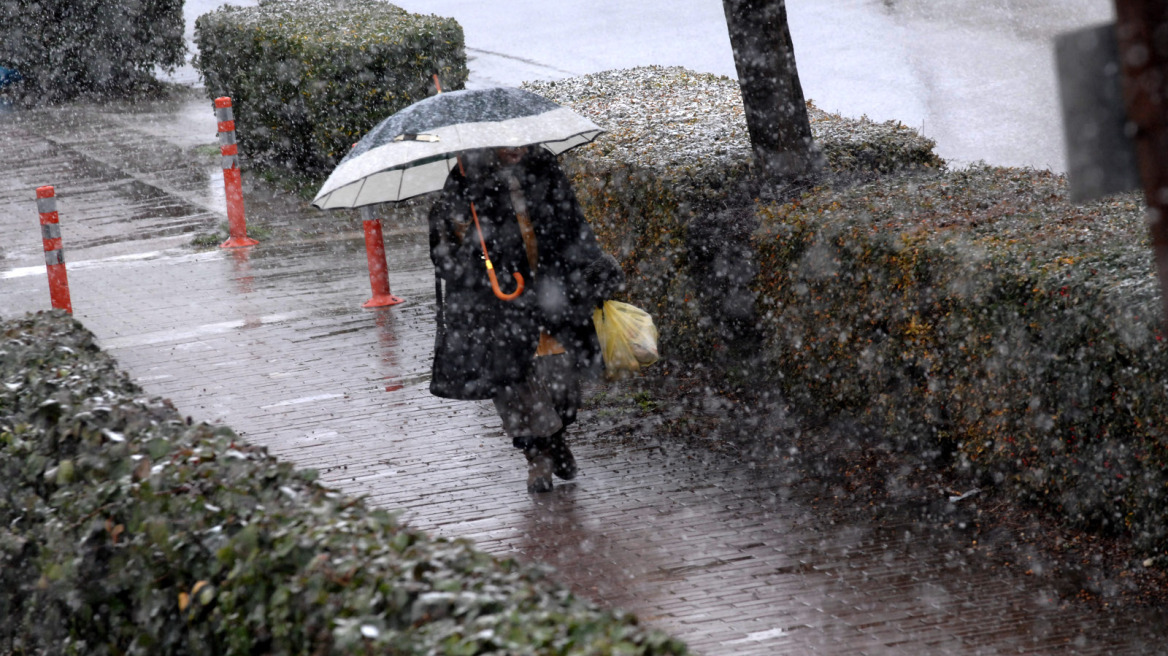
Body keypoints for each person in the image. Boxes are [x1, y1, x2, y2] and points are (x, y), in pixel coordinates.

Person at [428, 145, 623, 493]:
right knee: (513, 384)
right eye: (505, 142)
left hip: (553, 290)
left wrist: (591, 266)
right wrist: (464, 235)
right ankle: (537, 460)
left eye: (520, 141)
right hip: (501, 303)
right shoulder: (464, 176)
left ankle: (557, 436)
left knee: (562, 383)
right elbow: (444, 249)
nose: (515, 148)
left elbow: (573, 221)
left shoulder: (545, 166)